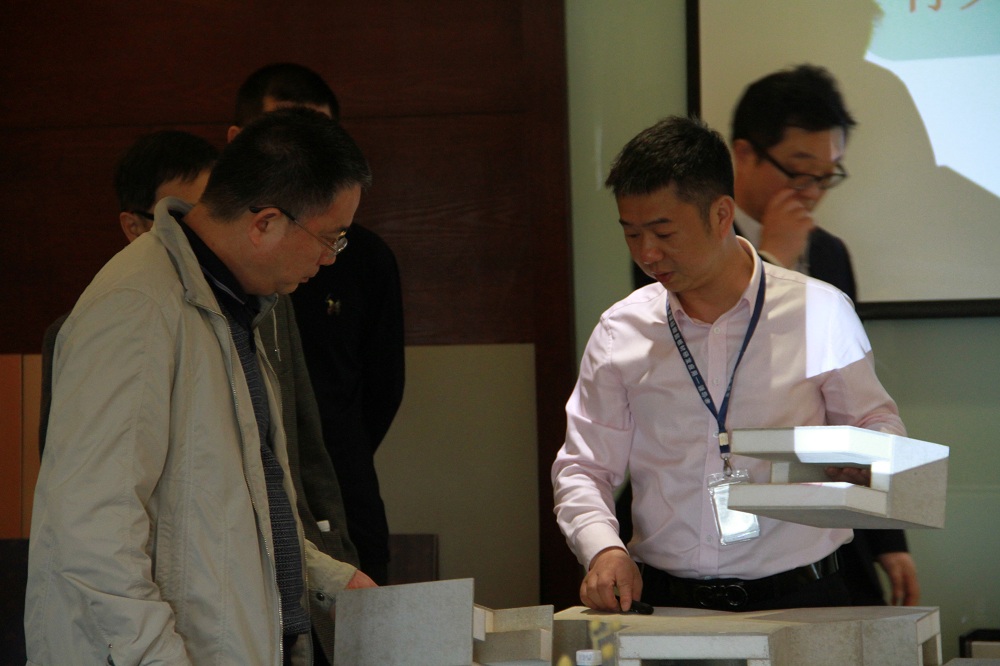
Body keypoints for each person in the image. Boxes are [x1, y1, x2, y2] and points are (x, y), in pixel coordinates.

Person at [26, 108, 376, 665]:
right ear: (265, 223)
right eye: (330, 238)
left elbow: (229, 505)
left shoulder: (232, 301)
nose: (329, 259)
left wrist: (328, 577)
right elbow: (91, 531)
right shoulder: (136, 307)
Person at [552, 116, 907, 614]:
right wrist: (604, 549)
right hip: (667, 605)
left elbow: (875, 424)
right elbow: (584, 466)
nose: (647, 253)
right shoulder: (621, 330)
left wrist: (860, 461)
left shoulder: (819, 312)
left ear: (721, 215)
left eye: (663, 232)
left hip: (803, 601)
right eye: (631, 234)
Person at [730, 64, 918, 606]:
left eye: (826, 175)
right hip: (719, 508)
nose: (811, 192)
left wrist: (888, 537)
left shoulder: (830, 254)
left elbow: (853, 401)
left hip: (818, 508)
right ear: (744, 154)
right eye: (798, 171)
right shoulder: (684, 245)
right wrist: (773, 260)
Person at [231, 63, 406, 585]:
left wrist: (324, 456)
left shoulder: (363, 257)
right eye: (291, 142)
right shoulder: (221, 262)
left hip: (343, 488)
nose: (325, 256)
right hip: (241, 506)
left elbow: (382, 389)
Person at [38, 130, 218, 455]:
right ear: (134, 227)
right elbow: (71, 461)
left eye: (214, 216)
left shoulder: (259, 309)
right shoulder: (82, 332)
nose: (203, 235)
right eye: (180, 219)